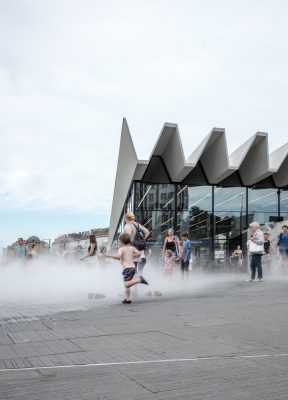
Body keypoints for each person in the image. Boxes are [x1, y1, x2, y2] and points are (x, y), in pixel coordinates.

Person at [104, 233, 148, 304]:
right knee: (128, 286)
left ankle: (139, 279)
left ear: (122, 242)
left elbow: (118, 256)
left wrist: (109, 255)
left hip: (127, 269)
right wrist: (132, 255)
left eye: (119, 241)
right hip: (133, 267)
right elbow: (139, 253)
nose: (118, 243)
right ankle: (127, 299)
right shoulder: (131, 248)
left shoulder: (121, 249)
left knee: (126, 284)